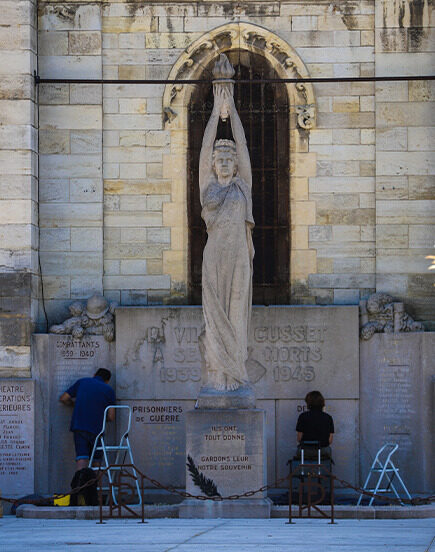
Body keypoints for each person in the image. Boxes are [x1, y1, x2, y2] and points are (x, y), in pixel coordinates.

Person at [199, 84, 254, 392]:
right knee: (215, 314)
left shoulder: (242, 186)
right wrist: (214, 114)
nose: (222, 162)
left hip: (239, 256)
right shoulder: (207, 187)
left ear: (234, 166)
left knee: (235, 313)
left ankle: (235, 372)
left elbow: (242, 145)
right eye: (219, 159)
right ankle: (218, 370)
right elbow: (205, 149)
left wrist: (230, 111)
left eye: (228, 160)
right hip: (215, 255)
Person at [59, 368, 115, 470]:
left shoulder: (82, 382)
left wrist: (73, 404)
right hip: (97, 429)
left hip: (79, 426)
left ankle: (81, 485)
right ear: (107, 381)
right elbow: (111, 416)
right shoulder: (109, 390)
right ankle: (96, 485)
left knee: (82, 458)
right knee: (96, 461)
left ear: (94, 374)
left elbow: (63, 398)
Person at [296, 391, 334, 459]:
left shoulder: (302, 416)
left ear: (308, 403)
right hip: (323, 450)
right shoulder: (328, 417)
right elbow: (330, 441)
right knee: (328, 450)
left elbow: (299, 439)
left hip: (305, 451)